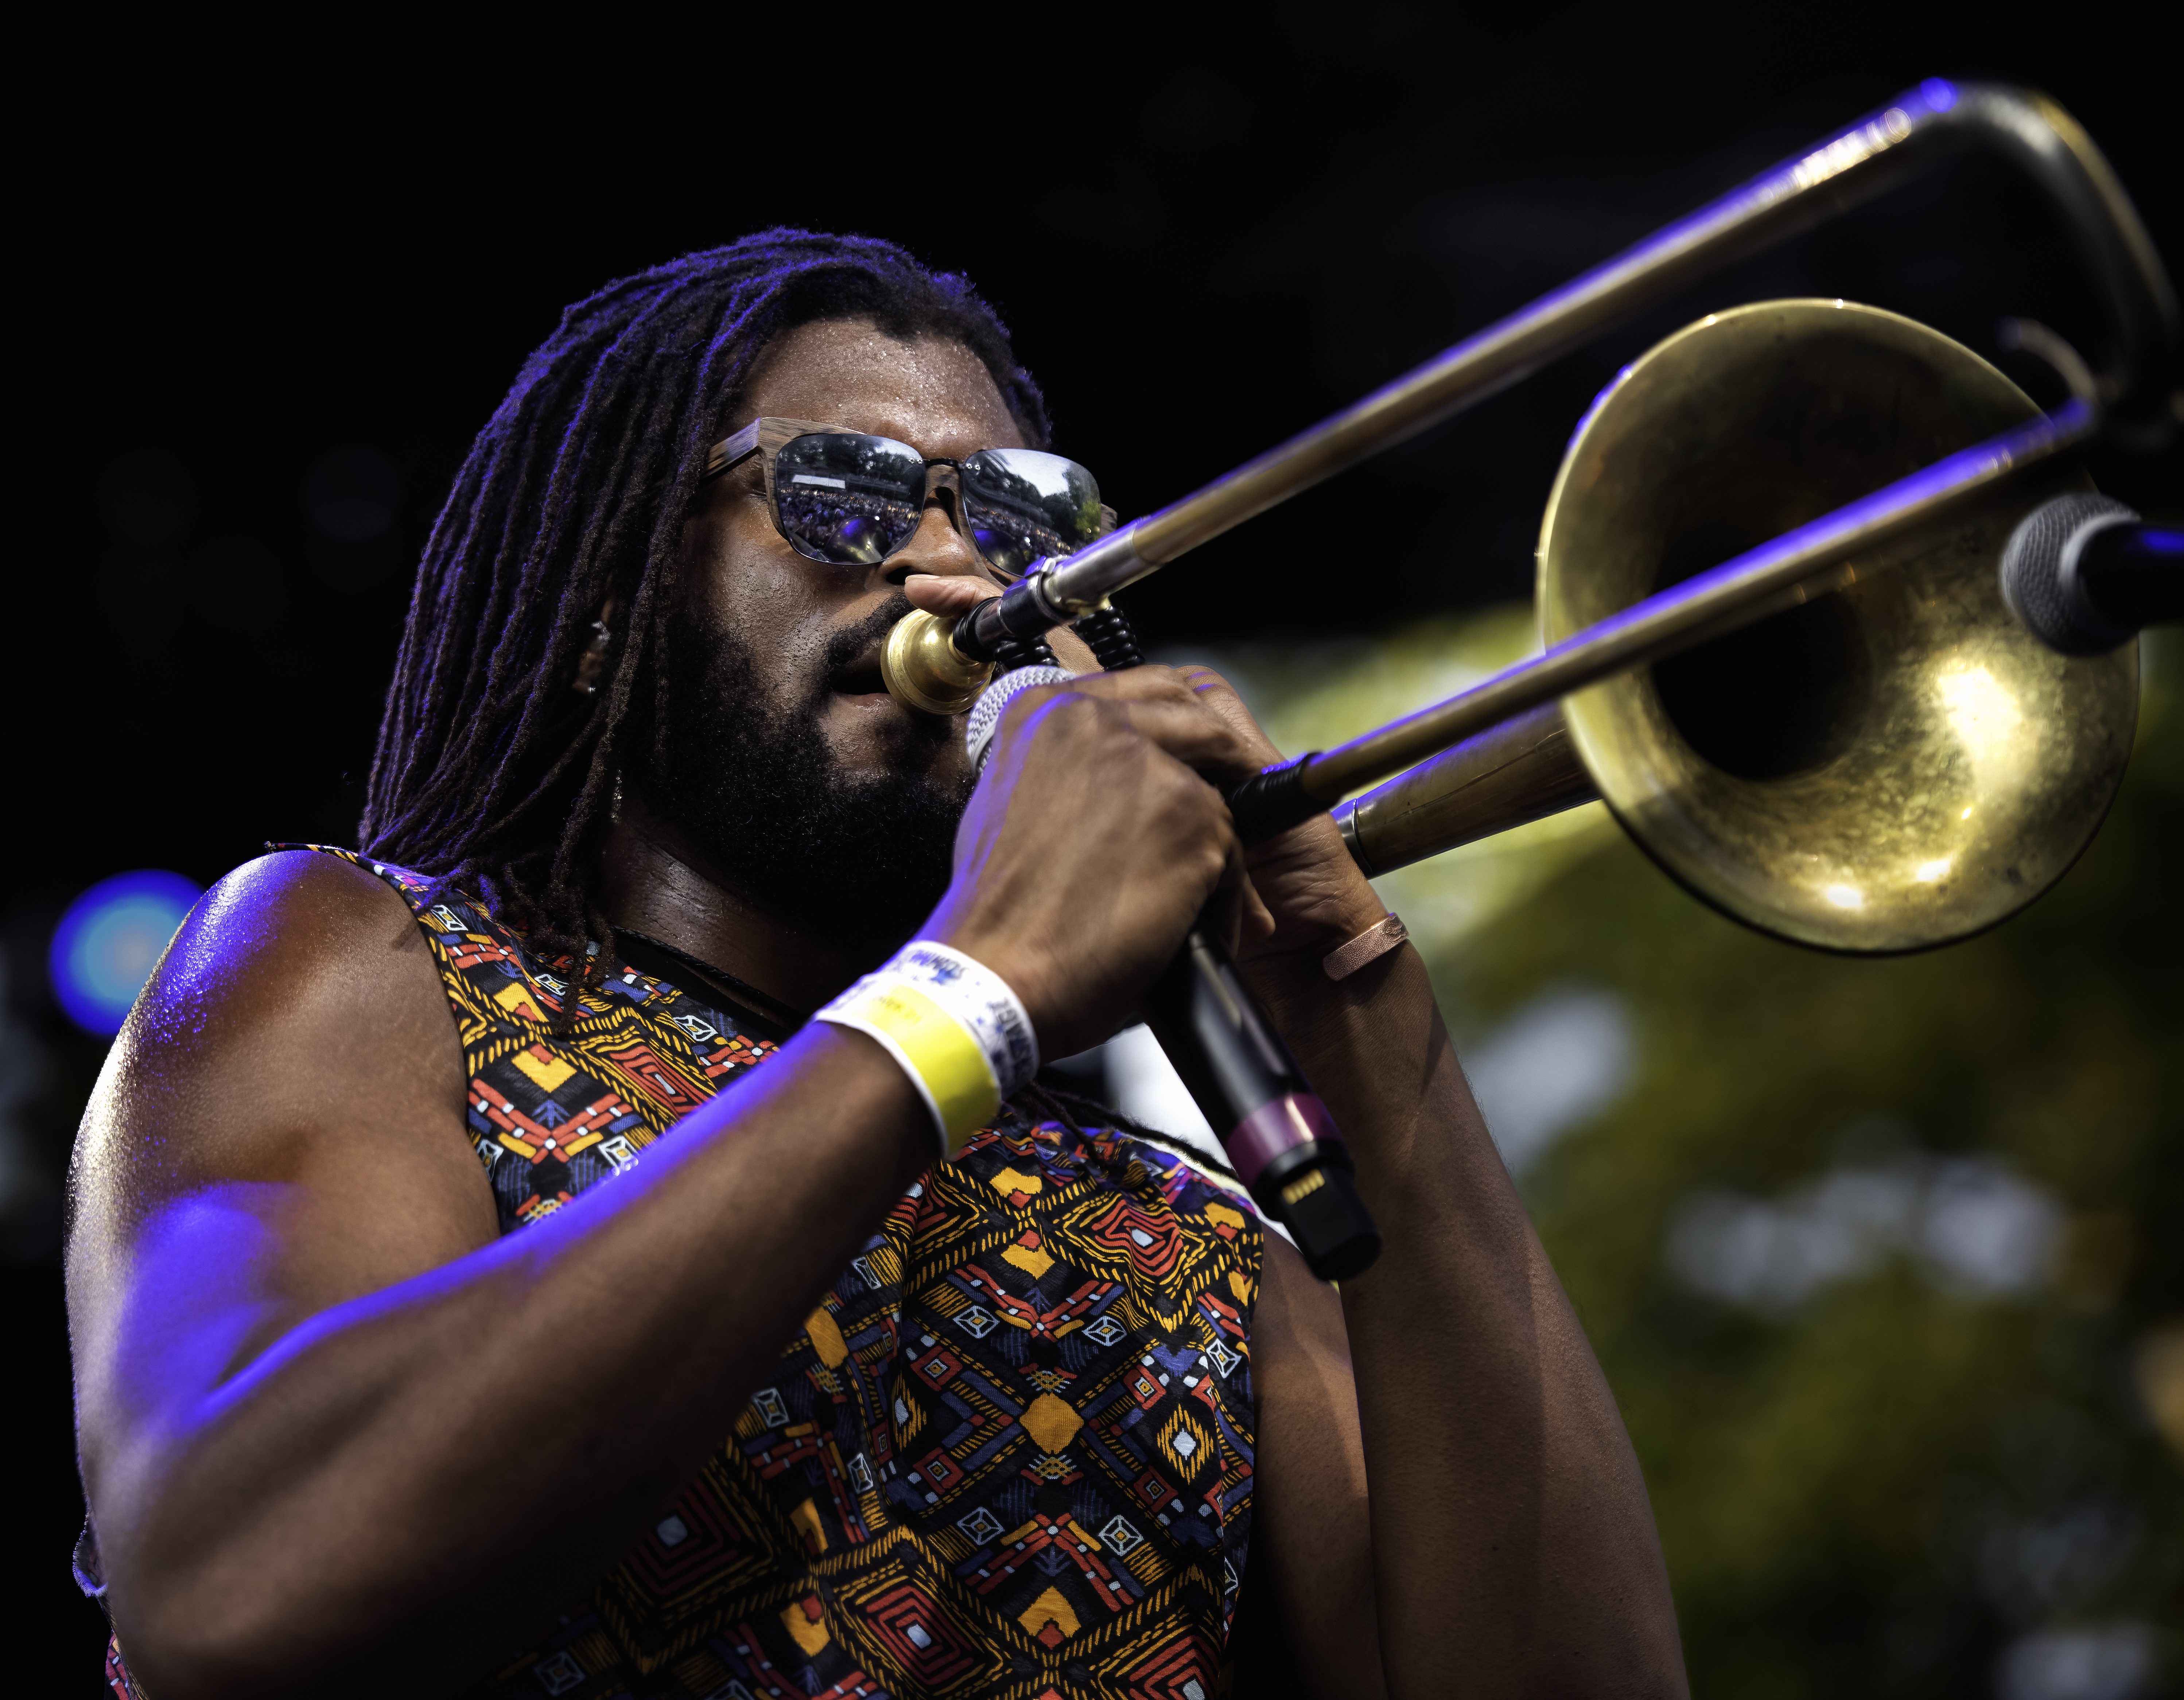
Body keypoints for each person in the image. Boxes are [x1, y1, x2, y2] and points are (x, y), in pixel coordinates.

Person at [67, 231, 1688, 1700]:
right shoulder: (359, 959)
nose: (952, 573)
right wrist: (972, 983)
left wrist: (1363, 1019)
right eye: (838, 487)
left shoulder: (1191, 1250)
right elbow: (241, 1581)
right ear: (601, 600)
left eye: (1015, 515)